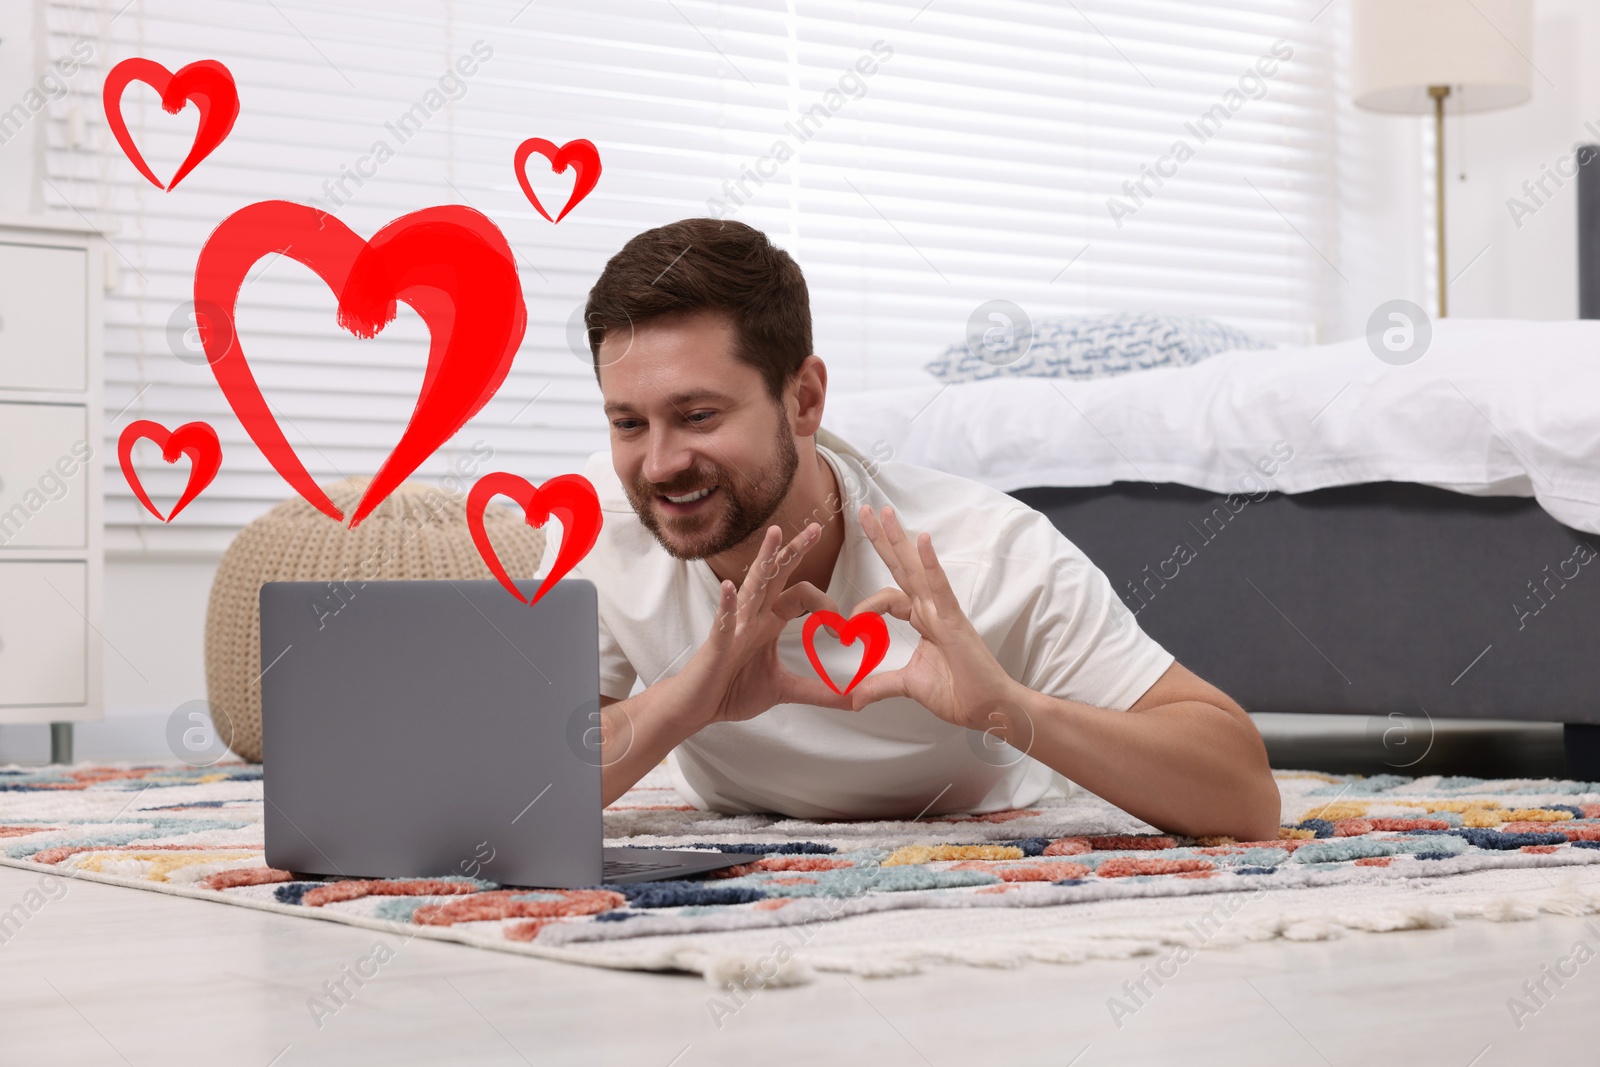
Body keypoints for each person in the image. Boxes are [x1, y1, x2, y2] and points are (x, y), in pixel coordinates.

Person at [567, 217, 1280, 840]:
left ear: (804, 399)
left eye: (698, 416)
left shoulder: (985, 550)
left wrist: (1007, 708)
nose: (659, 464)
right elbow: (507, 798)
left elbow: (1246, 798)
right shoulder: (603, 520)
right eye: (628, 422)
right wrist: (686, 700)